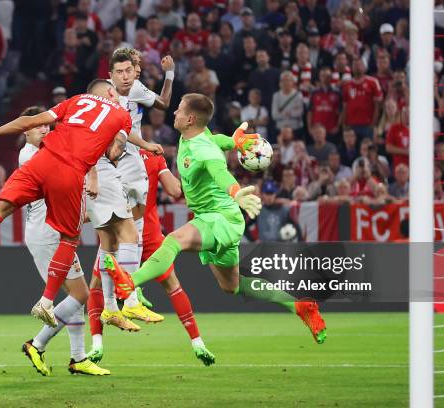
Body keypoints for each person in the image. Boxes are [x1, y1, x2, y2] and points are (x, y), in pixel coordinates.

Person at [105, 94, 327, 345]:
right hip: (217, 217)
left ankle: (129, 283)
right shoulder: (197, 135)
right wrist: (233, 142)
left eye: (178, 110)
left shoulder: (204, 150)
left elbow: (220, 172)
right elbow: (215, 140)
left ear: (189, 119)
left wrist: (235, 192)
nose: (174, 113)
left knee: (174, 241)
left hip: (219, 218)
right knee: (232, 286)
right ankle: (301, 305)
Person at [0, 79, 133, 329]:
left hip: (43, 160)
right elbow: (115, 151)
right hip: (68, 172)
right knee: (69, 238)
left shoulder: (78, 100)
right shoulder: (123, 115)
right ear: (112, 92)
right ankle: (46, 300)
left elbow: (31, 121)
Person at [87, 146, 216, 366]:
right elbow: (175, 191)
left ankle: (96, 345)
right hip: (150, 236)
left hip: (117, 234)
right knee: (173, 286)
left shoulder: (106, 154)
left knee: (97, 286)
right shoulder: (152, 156)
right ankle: (198, 343)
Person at [84, 49, 173, 356]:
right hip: (106, 165)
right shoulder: (103, 95)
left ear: (135, 71)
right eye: (118, 72)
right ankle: (127, 300)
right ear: (111, 74)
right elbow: (112, 136)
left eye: (128, 71)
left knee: (116, 236)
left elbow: (160, 106)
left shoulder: (134, 89)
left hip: (122, 159)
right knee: (124, 234)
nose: (123, 78)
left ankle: (112, 305)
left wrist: (169, 75)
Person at [15, 106, 108, 376]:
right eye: (38, 126)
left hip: (59, 233)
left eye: (47, 125)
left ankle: (77, 358)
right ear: (26, 130)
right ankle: (37, 343)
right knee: (80, 295)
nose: (45, 129)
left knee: (77, 297)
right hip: (46, 235)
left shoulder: (49, 151)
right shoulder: (29, 156)